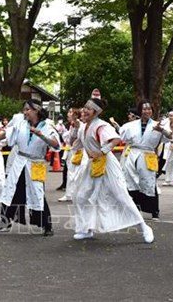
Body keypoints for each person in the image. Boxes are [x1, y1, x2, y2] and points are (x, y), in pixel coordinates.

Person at [70, 95, 154, 242]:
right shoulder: (84, 127)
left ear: (96, 112)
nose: (84, 111)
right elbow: (78, 142)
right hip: (92, 165)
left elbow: (116, 139)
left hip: (107, 165)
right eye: (85, 108)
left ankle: (144, 227)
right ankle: (85, 229)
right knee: (80, 196)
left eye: (89, 109)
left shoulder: (101, 126)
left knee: (121, 197)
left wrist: (102, 151)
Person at [0, 99, 59, 236]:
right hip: (19, 161)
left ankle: (46, 225)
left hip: (35, 163)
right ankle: (5, 220)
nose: (24, 112)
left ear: (36, 110)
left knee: (37, 193)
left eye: (27, 109)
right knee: (11, 190)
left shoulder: (47, 126)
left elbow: (55, 144)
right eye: (24, 110)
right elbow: (7, 133)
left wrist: (41, 135)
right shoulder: (20, 123)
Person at [121, 100, 172, 220]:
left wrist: (161, 130)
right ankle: (135, 209)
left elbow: (170, 137)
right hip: (133, 153)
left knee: (149, 182)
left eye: (149, 109)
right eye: (144, 109)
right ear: (140, 111)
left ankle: (154, 210)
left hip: (148, 154)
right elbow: (122, 135)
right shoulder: (131, 125)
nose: (147, 111)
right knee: (131, 182)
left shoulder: (158, 125)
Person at [58, 107, 86, 202]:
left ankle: (75, 194)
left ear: (75, 115)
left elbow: (77, 126)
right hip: (73, 151)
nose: (68, 114)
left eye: (71, 112)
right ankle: (70, 194)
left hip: (79, 152)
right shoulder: (72, 125)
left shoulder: (78, 124)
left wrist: (75, 118)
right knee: (71, 174)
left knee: (77, 174)